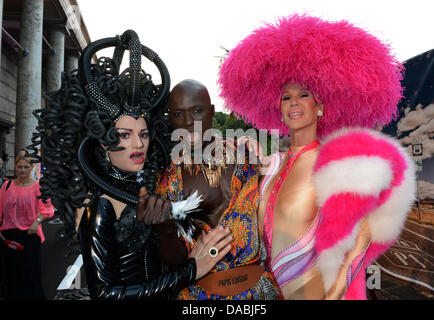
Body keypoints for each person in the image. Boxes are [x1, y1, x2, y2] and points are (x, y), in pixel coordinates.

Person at [218, 14, 416, 299]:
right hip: (265, 292)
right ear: (279, 108)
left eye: (304, 94)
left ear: (319, 106)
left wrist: (334, 294)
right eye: (286, 97)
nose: (294, 102)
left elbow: (362, 235)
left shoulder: (335, 164)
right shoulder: (271, 165)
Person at [28, 30, 231, 300]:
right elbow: (106, 294)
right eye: (125, 135)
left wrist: (235, 144)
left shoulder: (155, 180)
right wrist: (192, 270)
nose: (138, 145)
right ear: (103, 142)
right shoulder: (100, 204)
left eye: (143, 134)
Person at [152, 79, 281, 300]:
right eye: (178, 114)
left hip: (261, 292)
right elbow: (175, 263)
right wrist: (165, 231)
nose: (189, 122)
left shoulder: (247, 153)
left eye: (197, 111)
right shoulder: (169, 181)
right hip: (202, 297)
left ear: (212, 111)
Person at [0, 154, 54, 299]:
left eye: (26, 167)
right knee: (11, 274)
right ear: (15, 167)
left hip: (30, 235)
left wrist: (36, 221)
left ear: (31, 168)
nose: (23, 170)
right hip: (9, 235)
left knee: (31, 273)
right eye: (19, 167)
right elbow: (0, 210)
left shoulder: (38, 187)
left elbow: (47, 210)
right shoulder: (7, 186)